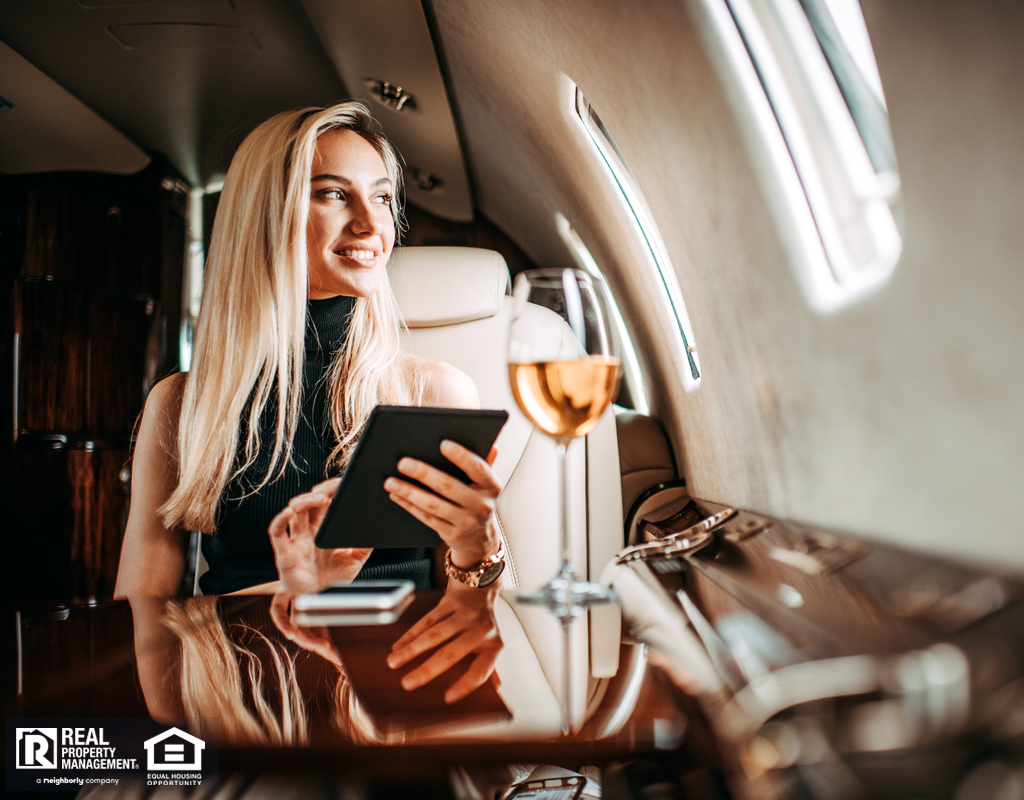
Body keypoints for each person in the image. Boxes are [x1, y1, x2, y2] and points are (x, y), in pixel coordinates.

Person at [114, 101, 504, 598]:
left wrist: (478, 547)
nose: (371, 223)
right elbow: (144, 622)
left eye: (383, 198)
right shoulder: (180, 403)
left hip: (403, 652)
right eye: (334, 194)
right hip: (243, 652)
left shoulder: (434, 393)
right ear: (266, 214)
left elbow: (470, 617)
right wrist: (299, 590)